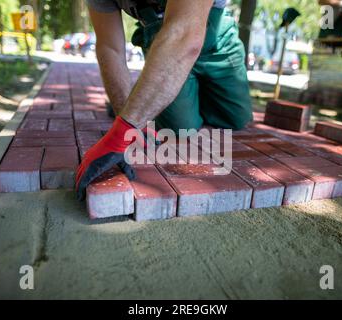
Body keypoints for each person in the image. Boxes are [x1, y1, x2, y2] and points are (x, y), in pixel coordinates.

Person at [75, 0, 253, 199]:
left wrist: (120, 134)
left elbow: (185, 33)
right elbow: (110, 48)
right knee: (182, 129)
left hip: (216, 39)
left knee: (237, 119)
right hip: (165, 44)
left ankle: (163, 95)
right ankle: (147, 100)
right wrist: (126, 122)